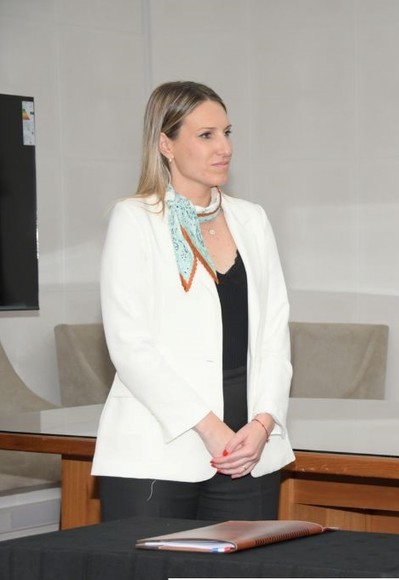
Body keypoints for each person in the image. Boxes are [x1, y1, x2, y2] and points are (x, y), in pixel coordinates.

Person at [93, 81, 294, 522]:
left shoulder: (252, 219)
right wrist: (210, 428)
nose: (224, 147)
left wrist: (262, 425)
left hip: (248, 451)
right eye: (206, 135)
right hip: (160, 448)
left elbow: (275, 334)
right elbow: (130, 346)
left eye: (227, 132)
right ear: (166, 144)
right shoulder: (136, 219)